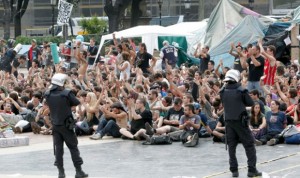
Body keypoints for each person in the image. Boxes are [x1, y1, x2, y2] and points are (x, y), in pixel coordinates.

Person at [44, 73, 88, 178]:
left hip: (55, 124)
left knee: (58, 149)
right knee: (73, 147)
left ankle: (61, 172)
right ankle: (78, 171)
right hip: (67, 124)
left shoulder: (48, 93)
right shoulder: (66, 93)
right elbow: (76, 102)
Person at [219, 69, 262, 177]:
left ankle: (234, 171)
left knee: (231, 146)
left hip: (228, 122)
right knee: (249, 145)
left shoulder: (223, 91)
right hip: (240, 122)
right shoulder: (241, 90)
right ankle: (251, 170)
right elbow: (250, 102)